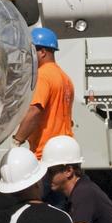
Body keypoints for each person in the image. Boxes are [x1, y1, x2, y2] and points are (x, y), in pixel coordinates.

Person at [10, 27, 74, 160]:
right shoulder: (65, 78)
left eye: (31, 52)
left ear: (43, 52)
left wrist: (17, 141)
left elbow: (34, 111)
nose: (28, 57)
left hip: (46, 153)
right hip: (66, 150)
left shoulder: (43, 76)